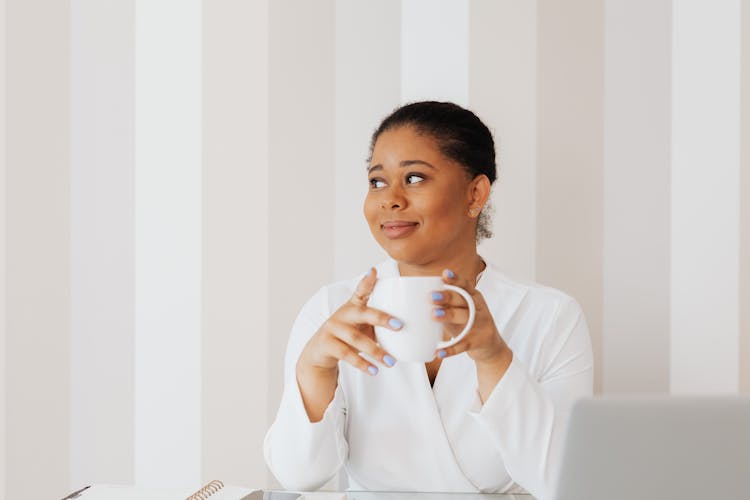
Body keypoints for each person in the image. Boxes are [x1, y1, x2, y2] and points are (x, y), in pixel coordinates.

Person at [263, 101, 593, 498]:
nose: (390, 199)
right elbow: (298, 477)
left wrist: (493, 358)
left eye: (415, 178)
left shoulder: (550, 315)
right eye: (377, 181)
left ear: (475, 193)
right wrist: (314, 372)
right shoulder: (331, 311)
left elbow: (565, 484)